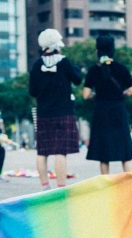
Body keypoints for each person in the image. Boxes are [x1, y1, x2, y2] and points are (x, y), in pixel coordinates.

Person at [29, 28, 82, 190]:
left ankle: (45, 186)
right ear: (56, 44)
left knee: (42, 151)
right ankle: (61, 187)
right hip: (63, 112)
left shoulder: (37, 65)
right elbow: (78, 79)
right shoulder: (64, 62)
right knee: (61, 151)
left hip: (44, 113)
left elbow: (32, 91)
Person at [82, 35, 132, 175]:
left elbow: (86, 94)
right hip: (118, 110)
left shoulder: (94, 70)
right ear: (113, 50)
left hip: (101, 112)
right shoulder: (121, 68)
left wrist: (96, 96)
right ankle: (128, 184)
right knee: (125, 153)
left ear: (98, 50)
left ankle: (106, 185)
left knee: (103, 153)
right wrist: (122, 94)